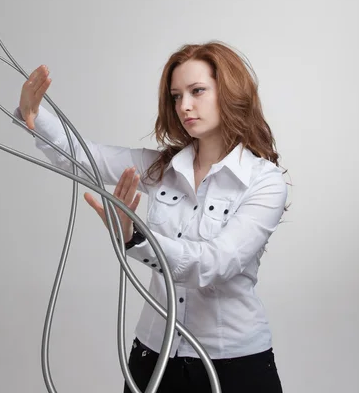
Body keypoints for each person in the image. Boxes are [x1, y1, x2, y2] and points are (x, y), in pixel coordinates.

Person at [16, 41, 288, 392]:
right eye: (176, 96)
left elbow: (215, 264)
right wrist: (34, 116)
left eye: (197, 91)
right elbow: (88, 158)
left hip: (234, 364)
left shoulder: (263, 181)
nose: (184, 106)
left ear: (230, 92)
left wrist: (136, 238)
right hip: (154, 357)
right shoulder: (161, 168)